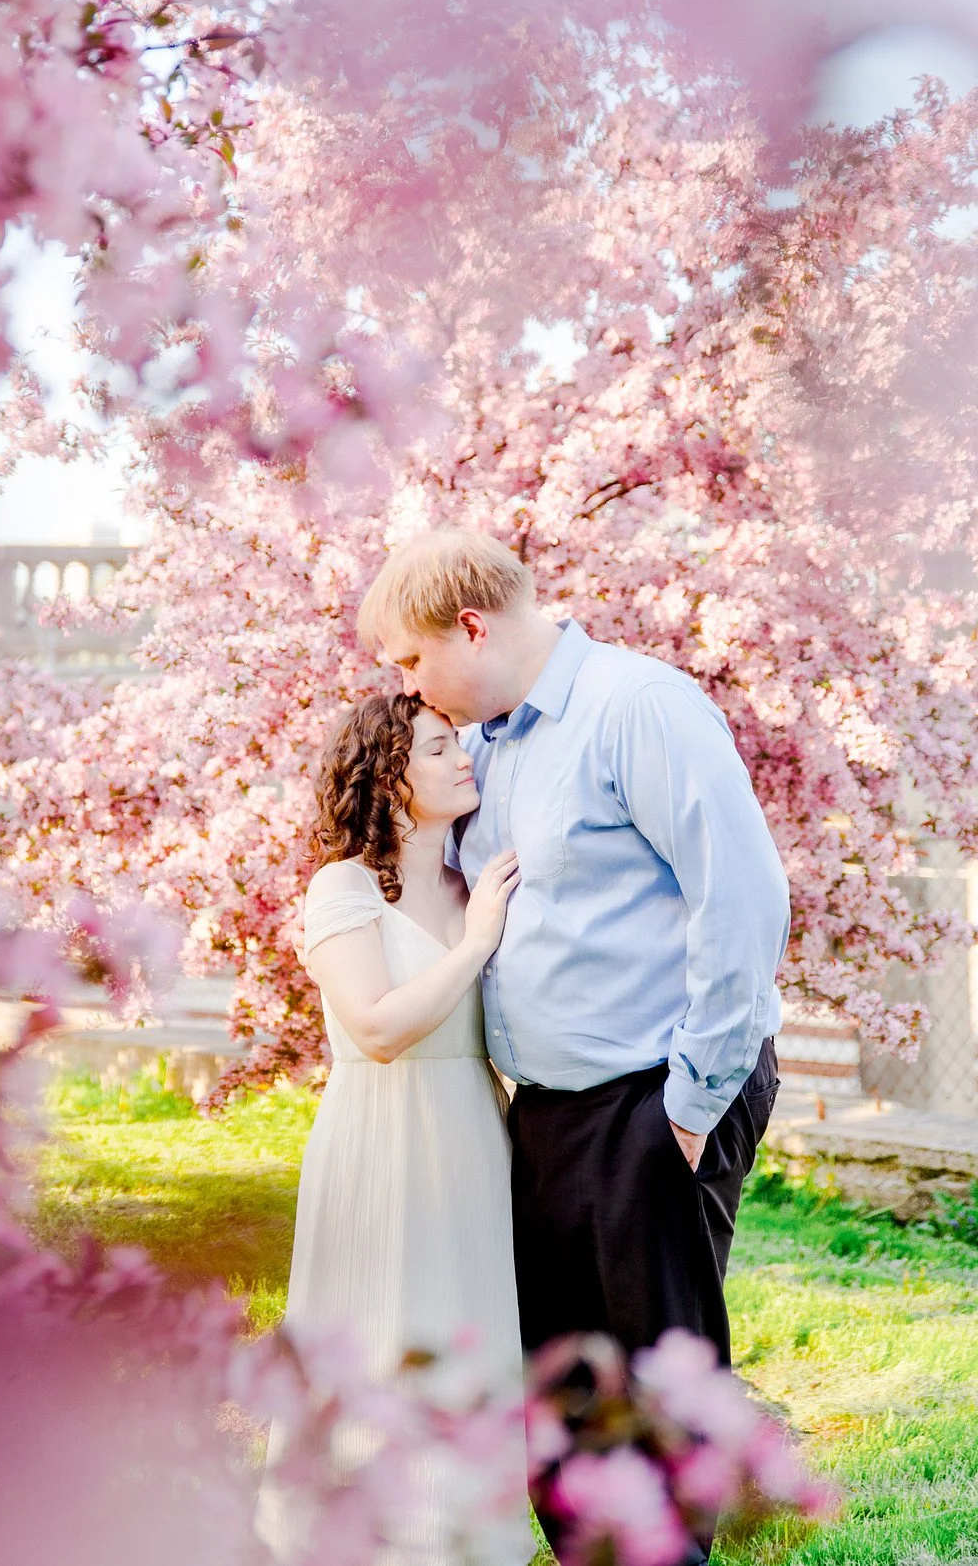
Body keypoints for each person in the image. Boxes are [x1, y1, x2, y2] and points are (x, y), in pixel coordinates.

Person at [358, 527, 792, 1561]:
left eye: (414, 661)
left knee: (648, 1410)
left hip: (651, 1096)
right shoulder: (492, 745)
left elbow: (741, 902)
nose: (411, 690)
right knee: (559, 1403)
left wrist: (687, 1107)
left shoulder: (637, 707)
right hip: (549, 1110)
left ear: (473, 624)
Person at [256, 692, 535, 1566]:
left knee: (468, 1335)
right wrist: (476, 942)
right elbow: (375, 1029)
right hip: (381, 1132)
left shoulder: (473, 876)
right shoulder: (341, 888)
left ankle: (468, 1541)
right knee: (378, 1335)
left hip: (473, 1132)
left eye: (462, 746)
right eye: (441, 749)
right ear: (389, 775)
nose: (465, 761)